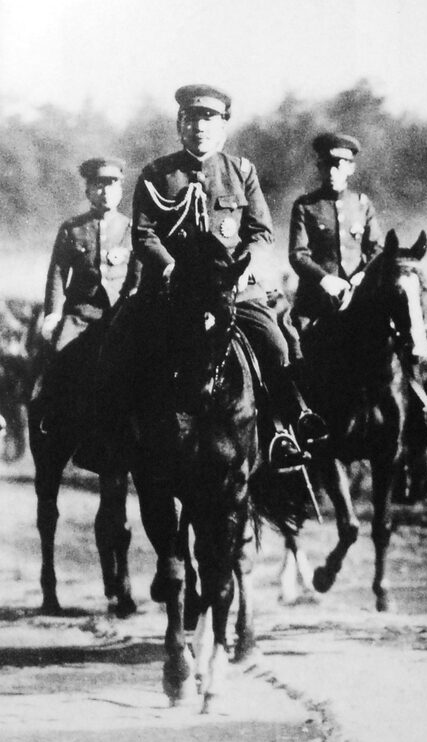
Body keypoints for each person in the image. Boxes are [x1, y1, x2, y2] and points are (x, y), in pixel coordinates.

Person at [110, 84, 324, 473]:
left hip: (234, 292)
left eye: (209, 120)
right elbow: (143, 234)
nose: (199, 128)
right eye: (191, 119)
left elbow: (261, 233)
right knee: (120, 339)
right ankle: (111, 439)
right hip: (171, 292)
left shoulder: (241, 172)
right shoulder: (157, 174)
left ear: (224, 127)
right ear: (179, 124)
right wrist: (169, 267)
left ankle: (282, 433)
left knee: (276, 346)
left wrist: (244, 272)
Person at [31, 157, 136, 610]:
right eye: (98, 185)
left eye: (112, 185)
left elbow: (140, 275)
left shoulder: (133, 229)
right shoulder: (71, 229)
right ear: (88, 190)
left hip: (121, 320)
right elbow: (57, 276)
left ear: (121, 188)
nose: (105, 192)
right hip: (83, 317)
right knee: (58, 359)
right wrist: (53, 313)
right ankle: (49, 420)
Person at [288, 133, 382, 325]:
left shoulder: (362, 205)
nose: (332, 172)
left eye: (338, 165)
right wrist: (324, 279)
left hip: (358, 296)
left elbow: (377, 249)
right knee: (298, 343)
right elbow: (298, 254)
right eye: (326, 165)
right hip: (316, 298)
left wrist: (363, 274)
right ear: (319, 168)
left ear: (350, 168)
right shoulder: (306, 206)